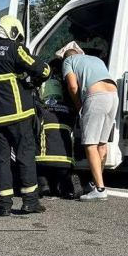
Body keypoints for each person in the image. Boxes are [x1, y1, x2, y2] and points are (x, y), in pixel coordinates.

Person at [0, 15, 51, 216]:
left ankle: (4, 205)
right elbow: (43, 70)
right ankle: (30, 202)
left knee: (1, 160)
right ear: (12, 32)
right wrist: (30, 82)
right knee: (25, 156)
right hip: (19, 115)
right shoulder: (14, 49)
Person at [60, 42, 119, 201]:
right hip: (113, 96)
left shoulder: (68, 61)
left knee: (90, 144)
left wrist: (79, 106)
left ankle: (100, 189)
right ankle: (96, 183)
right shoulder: (95, 59)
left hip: (95, 97)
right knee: (102, 143)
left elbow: (73, 87)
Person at [35, 61, 82, 199]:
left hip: (43, 159)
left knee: (37, 169)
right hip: (66, 161)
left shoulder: (40, 108)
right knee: (60, 181)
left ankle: (43, 184)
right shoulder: (68, 109)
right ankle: (67, 182)